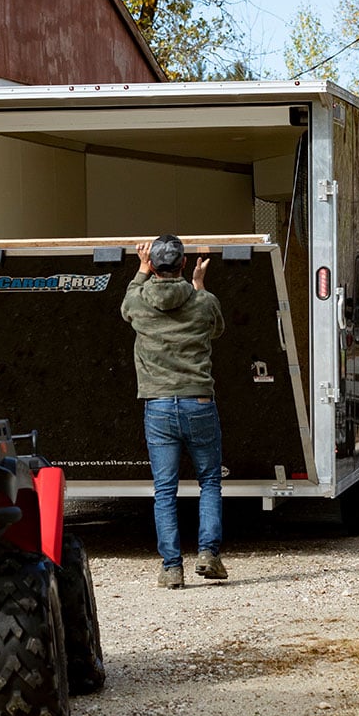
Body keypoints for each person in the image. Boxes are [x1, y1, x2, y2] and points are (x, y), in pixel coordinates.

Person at [120, 234, 226, 589]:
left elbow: (125, 307)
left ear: (153, 265)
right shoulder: (203, 302)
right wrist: (199, 285)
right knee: (209, 481)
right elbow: (217, 329)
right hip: (199, 402)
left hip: (158, 405)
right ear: (183, 263)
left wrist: (140, 269)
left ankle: (171, 568)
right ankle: (208, 554)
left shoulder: (138, 300)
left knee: (164, 489)